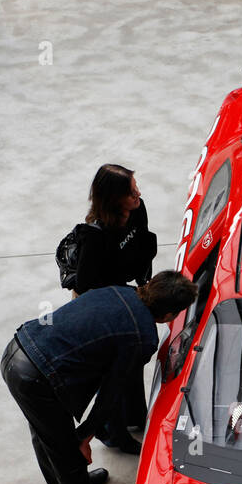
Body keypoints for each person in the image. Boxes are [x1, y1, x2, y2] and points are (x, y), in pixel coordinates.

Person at [1, 272, 197, 484]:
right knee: (67, 451)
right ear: (170, 315)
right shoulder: (142, 336)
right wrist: (84, 435)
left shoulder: (117, 290)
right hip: (37, 377)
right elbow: (112, 392)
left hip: (17, 349)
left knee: (46, 433)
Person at [66, 164, 158, 452]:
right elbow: (85, 286)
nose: (138, 195)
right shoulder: (93, 236)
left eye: (136, 188)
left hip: (125, 291)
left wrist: (144, 286)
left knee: (133, 359)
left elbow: (143, 243)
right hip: (102, 303)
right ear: (113, 198)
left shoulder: (138, 209)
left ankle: (134, 416)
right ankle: (113, 433)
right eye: (131, 192)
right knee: (114, 370)